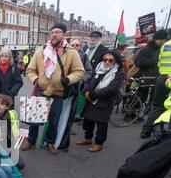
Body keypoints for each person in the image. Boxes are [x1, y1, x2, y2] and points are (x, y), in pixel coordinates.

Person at [23, 23, 85, 154]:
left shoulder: (72, 52)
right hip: (41, 91)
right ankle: (31, 141)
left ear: (64, 34)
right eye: (52, 32)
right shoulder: (41, 51)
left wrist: (68, 79)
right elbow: (30, 70)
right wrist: (36, 80)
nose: (54, 35)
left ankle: (50, 143)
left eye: (57, 32)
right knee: (34, 119)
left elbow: (79, 71)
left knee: (54, 121)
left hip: (58, 93)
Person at [140, 25, 171, 138]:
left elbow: (159, 63)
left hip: (162, 78)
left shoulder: (167, 44)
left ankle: (146, 130)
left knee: (157, 106)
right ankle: (168, 135)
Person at [77, 50, 124, 152]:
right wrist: (87, 90)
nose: (107, 62)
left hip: (105, 100)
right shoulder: (98, 68)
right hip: (91, 97)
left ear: (115, 61)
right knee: (88, 120)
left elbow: (112, 89)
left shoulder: (118, 73)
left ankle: (99, 143)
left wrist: (94, 94)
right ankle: (88, 138)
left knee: (101, 123)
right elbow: (89, 80)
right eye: (105, 59)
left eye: (110, 60)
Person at [70, 38, 93, 120]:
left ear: (80, 46)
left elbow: (89, 71)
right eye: (72, 45)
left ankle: (69, 127)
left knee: (73, 108)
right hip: (66, 85)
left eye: (77, 45)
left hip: (77, 87)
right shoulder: (66, 55)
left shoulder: (84, 56)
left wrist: (81, 79)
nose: (74, 47)